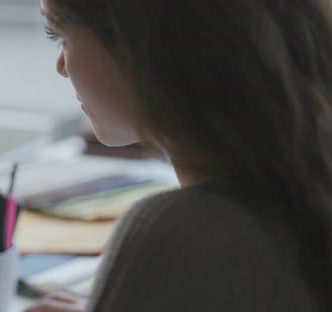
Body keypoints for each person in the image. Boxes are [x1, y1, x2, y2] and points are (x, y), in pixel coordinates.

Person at [28, 0, 332, 311]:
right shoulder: (305, 182)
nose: (61, 67)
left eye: (60, 36)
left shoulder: (181, 231)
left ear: (137, 46)